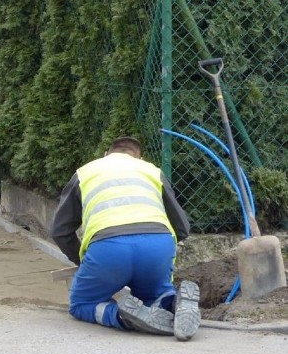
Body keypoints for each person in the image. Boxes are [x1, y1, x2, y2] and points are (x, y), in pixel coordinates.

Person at [49, 136, 201, 341]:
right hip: (157, 246)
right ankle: (174, 303)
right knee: (156, 294)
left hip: (108, 249)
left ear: (106, 154)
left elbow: (60, 231)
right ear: (139, 158)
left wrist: (82, 261)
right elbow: (182, 228)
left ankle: (122, 316)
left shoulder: (85, 173)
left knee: (82, 304)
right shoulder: (151, 171)